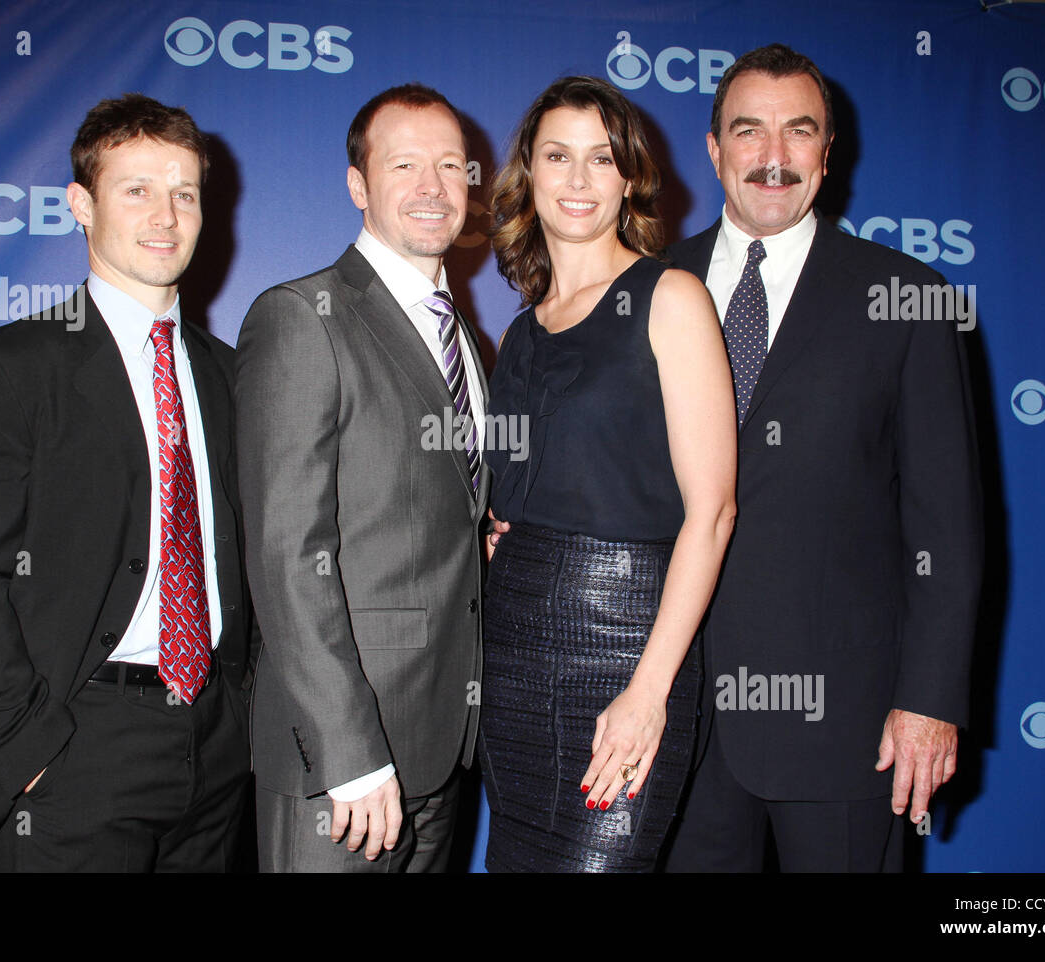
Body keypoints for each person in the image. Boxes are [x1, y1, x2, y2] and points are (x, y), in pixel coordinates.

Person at [0, 93, 255, 872]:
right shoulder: (7, 369)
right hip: (73, 751)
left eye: (185, 194)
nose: (165, 216)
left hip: (221, 756)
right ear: (80, 206)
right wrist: (25, 748)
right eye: (137, 190)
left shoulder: (234, 377)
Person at [663, 44, 984, 872]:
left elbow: (947, 526)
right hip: (673, 716)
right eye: (749, 131)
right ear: (712, 147)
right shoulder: (648, 288)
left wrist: (929, 701)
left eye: (798, 132)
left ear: (828, 152)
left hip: (847, 725)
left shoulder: (910, 301)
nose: (773, 157)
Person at [478, 76, 737, 872]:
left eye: (601, 158)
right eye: (558, 157)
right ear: (529, 173)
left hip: (627, 644)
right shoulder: (522, 330)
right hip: (514, 651)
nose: (579, 180)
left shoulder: (673, 297)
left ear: (629, 177)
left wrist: (648, 689)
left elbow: (714, 512)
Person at [235, 84, 487, 872]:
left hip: (446, 748)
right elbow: (284, 552)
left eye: (451, 165)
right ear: (357, 185)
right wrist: (350, 752)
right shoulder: (302, 316)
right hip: (343, 767)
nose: (431, 186)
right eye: (404, 163)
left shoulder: (471, 339)